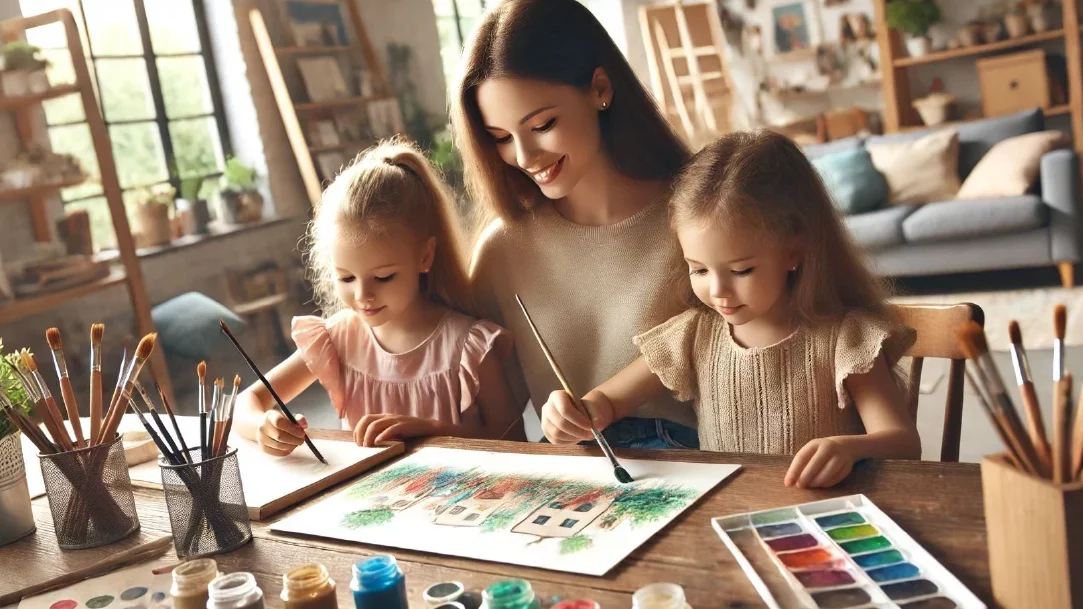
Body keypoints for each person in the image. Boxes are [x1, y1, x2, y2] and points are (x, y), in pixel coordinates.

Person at [542, 131, 922, 487]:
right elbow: (605, 402)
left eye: (741, 270)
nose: (718, 290)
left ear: (794, 250)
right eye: (699, 269)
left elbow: (903, 442)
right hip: (726, 519)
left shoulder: (846, 340)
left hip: (819, 517)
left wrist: (850, 449)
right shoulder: (692, 334)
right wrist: (571, 412)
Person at [455, 0, 698, 449]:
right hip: (570, 486)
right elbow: (498, 429)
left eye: (542, 124)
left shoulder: (703, 215)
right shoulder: (500, 252)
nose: (524, 158)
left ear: (600, 88)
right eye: (502, 139)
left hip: (704, 470)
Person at [235, 139, 522, 454]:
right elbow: (246, 404)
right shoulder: (337, 339)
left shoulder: (469, 346)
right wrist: (264, 426)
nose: (363, 296)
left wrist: (435, 432)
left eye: (383, 277)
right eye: (345, 277)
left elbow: (515, 441)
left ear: (425, 256)